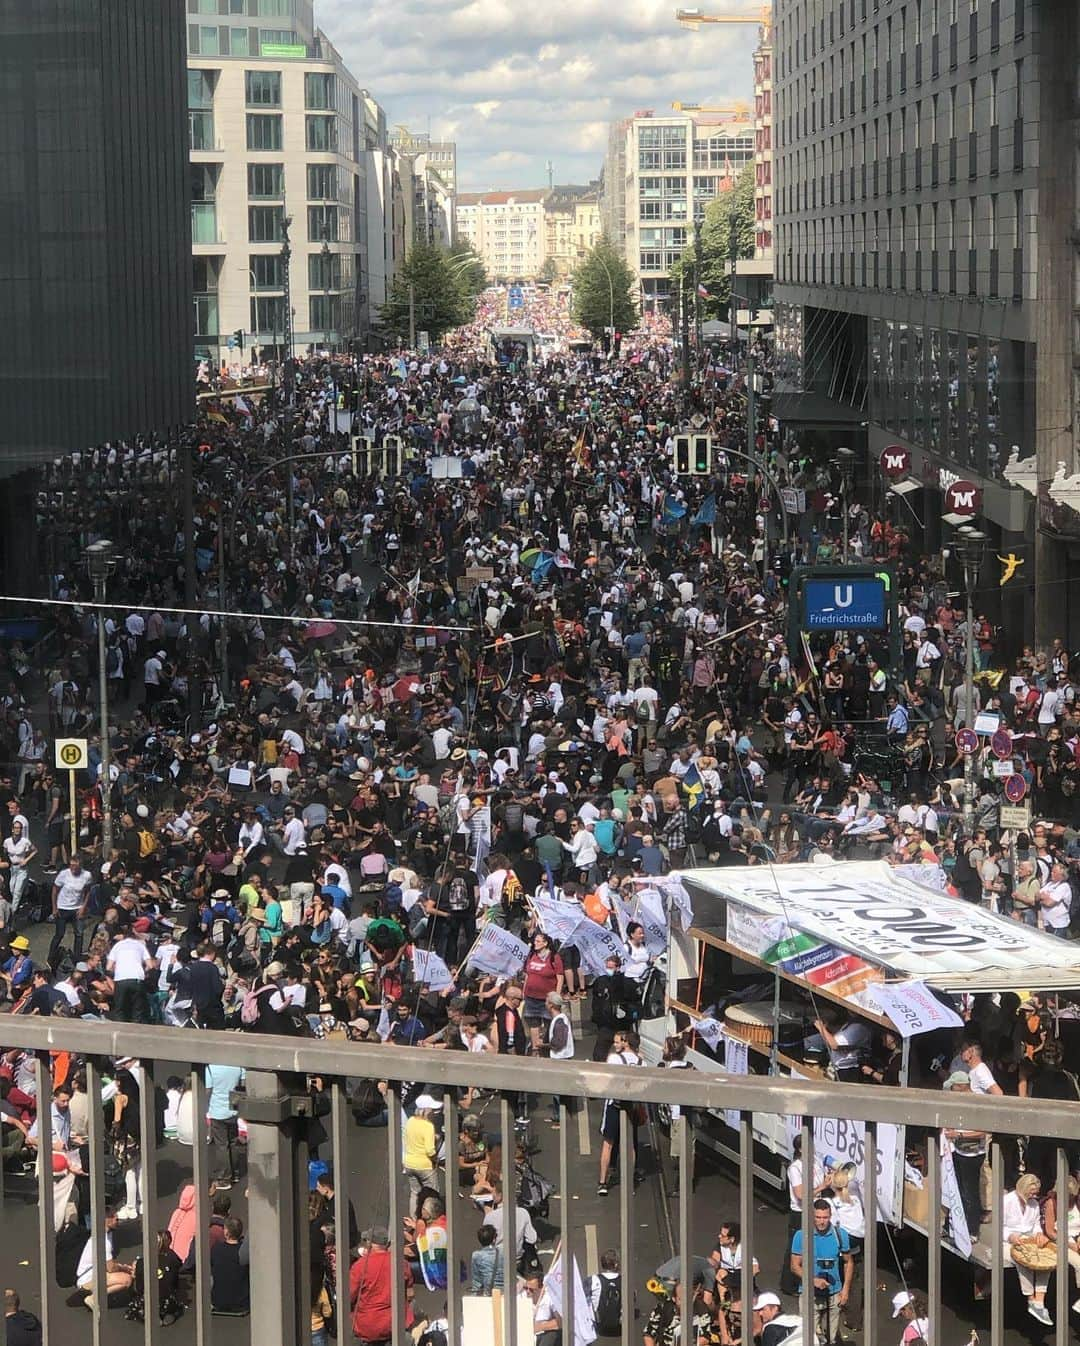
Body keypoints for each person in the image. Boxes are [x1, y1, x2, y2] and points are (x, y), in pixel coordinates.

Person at [789, 1198, 854, 1344]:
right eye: (818, 1217)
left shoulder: (840, 1235)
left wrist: (846, 1289)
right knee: (808, 1337)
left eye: (825, 1217)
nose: (822, 1221)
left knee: (832, 1338)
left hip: (834, 1294)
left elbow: (848, 1262)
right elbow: (794, 1266)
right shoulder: (801, 1236)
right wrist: (813, 1280)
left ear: (830, 1217)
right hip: (809, 1294)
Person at [350, 1226, 415, 1345]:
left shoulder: (359, 1266)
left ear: (370, 1243)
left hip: (368, 1329)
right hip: (395, 1326)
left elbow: (348, 1297)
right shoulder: (401, 1263)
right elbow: (410, 1294)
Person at [1003, 1172, 1053, 1324]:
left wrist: (1039, 1234)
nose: (1034, 1195)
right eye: (1032, 1191)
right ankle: (1030, 1298)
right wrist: (1011, 1237)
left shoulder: (1034, 1204)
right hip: (1009, 1241)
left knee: (1047, 1260)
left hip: (1028, 1239)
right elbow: (1000, 1227)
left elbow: (1036, 1224)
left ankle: (1039, 1301)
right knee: (1023, 1260)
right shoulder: (1006, 1201)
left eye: (1036, 1192)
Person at [205, 1063, 244, 1190]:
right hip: (233, 1110)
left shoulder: (211, 1068)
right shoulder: (237, 1065)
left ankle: (224, 1178)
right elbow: (242, 1084)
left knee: (222, 1146)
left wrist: (205, 1106)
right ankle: (235, 1173)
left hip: (217, 1112)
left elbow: (208, 1090)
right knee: (233, 1143)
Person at [209, 1216, 250, 1315]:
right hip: (241, 1304)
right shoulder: (243, 1252)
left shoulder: (216, 1249)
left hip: (219, 1302)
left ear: (226, 1232)